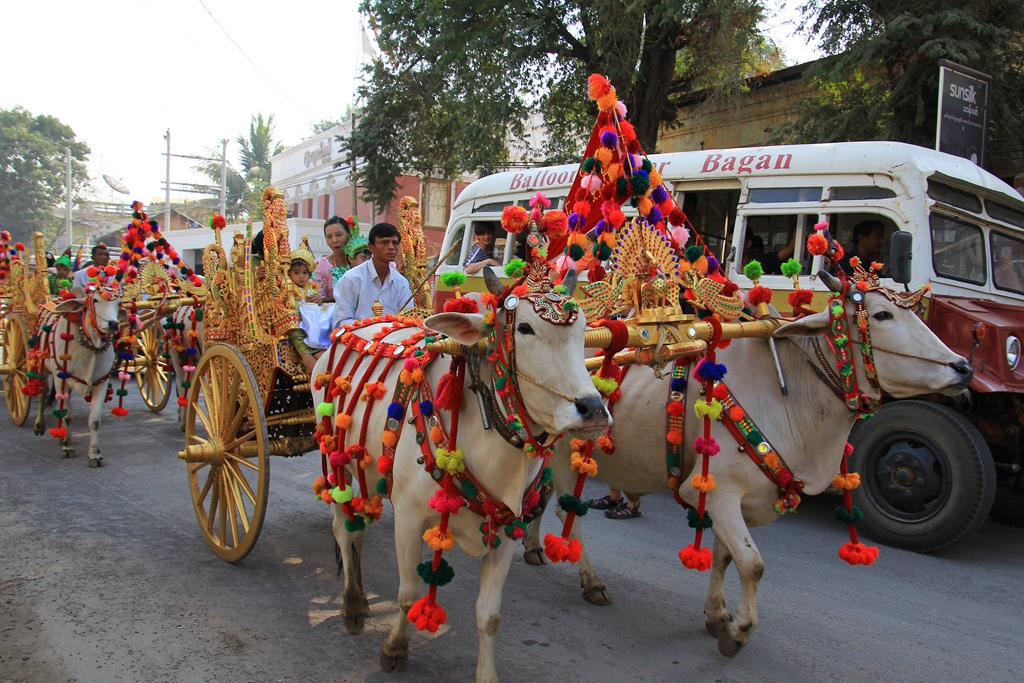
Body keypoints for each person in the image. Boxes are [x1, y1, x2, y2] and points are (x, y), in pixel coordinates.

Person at [332, 222, 413, 328]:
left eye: (395, 243)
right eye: (384, 242)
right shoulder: (352, 279)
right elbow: (341, 322)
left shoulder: (401, 283)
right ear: (371, 247)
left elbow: (407, 318)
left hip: (393, 340)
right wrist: (370, 331)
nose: (391, 247)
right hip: (357, 340)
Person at [284, 243, 326, 374]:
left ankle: (321, 347)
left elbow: (317, 301)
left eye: (304, 273)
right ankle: (306, 355)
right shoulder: (287, 288)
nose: (301, 276)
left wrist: (317, 300)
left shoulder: (310, 288)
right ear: (289, 273)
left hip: (314, 323)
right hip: (298, 323)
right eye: (296, 273)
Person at [312, 216, 351, 302]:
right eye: (329, 236)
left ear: (349, 234)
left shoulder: (361, 262)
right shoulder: (320, 266)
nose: (334, 240)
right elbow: (319, 297)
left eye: (339, 235)